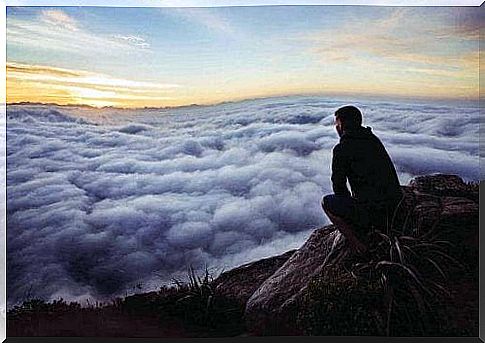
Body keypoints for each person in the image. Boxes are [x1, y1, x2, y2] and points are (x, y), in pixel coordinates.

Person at [322, 105, 403, 254]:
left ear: (342, 125)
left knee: (326, 202)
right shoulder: (372, 139)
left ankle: (361, 246)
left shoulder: (342, 148)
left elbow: (338, 187)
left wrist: (353, 208)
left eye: (337, 124)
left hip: (375, 214)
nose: (336, 128)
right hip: (396, 209)